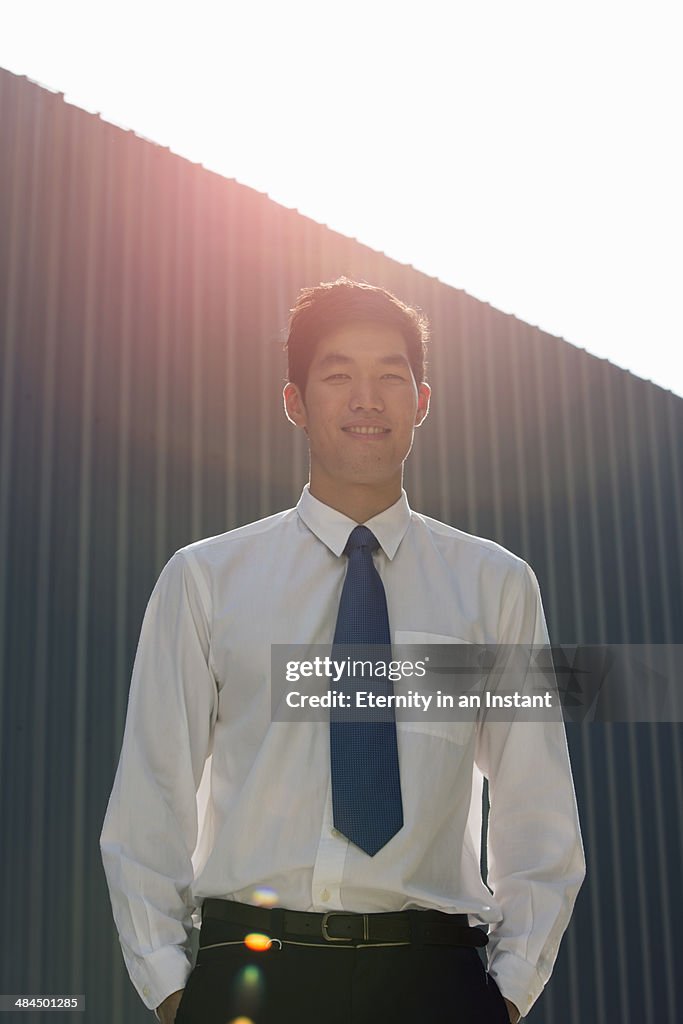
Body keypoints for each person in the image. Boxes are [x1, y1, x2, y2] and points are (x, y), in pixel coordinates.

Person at [101, 278, 585, 1023]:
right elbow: (151, 800)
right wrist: (171, 990)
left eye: (391, 376)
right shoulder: (205, 580)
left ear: (420, 402)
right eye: (338, 376)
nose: (367, 398)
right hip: (250, 978)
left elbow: (536, 813)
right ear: (294, 401)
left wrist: (506, 995)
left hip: (434, 979)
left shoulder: (494, 587)